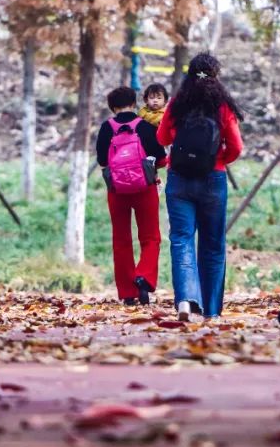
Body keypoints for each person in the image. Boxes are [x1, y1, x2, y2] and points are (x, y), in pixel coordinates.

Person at [156, 53, 243, 322]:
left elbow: (162, 137)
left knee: (181, 239)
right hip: (213, 179)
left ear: (189, 74)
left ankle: (185, 300)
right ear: (215, 76)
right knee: (213, 245)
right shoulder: (222, 106)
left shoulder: (177, 103)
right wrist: (217, 159)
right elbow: (236, 147)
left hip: (179, 178)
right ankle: (212, 312)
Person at [96, 86, 166, 306]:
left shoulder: (106, 128)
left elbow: (102, 161)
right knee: (151, 237)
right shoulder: (146, 126)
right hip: (145, 188)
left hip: (117, 191)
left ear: (112, 107)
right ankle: (143, 276)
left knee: (121, 239)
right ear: (134, 104)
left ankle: (128, 292)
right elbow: (161, 159)